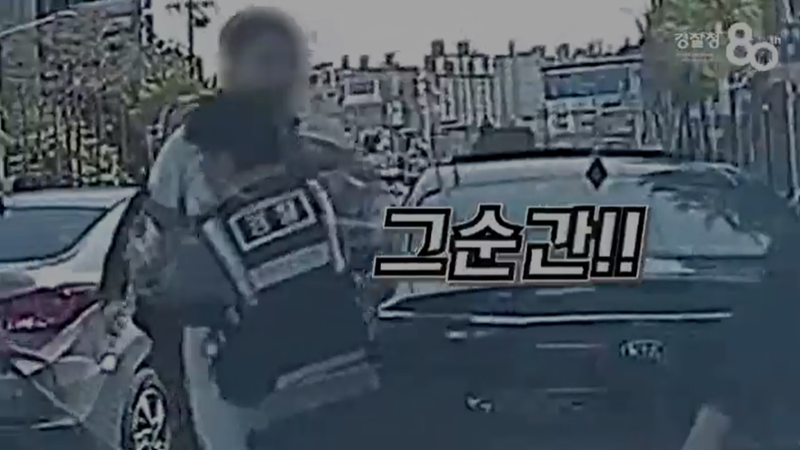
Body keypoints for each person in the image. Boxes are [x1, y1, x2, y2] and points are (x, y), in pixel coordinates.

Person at [125, 7, 389, 450]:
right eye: (265, 61)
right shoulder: (189, 148)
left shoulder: (320, 138)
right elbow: (158, 250)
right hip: (230, 350)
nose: (279, 75)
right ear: (232, 67)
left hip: (327, 343)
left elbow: (374, 223)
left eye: (289, 61)